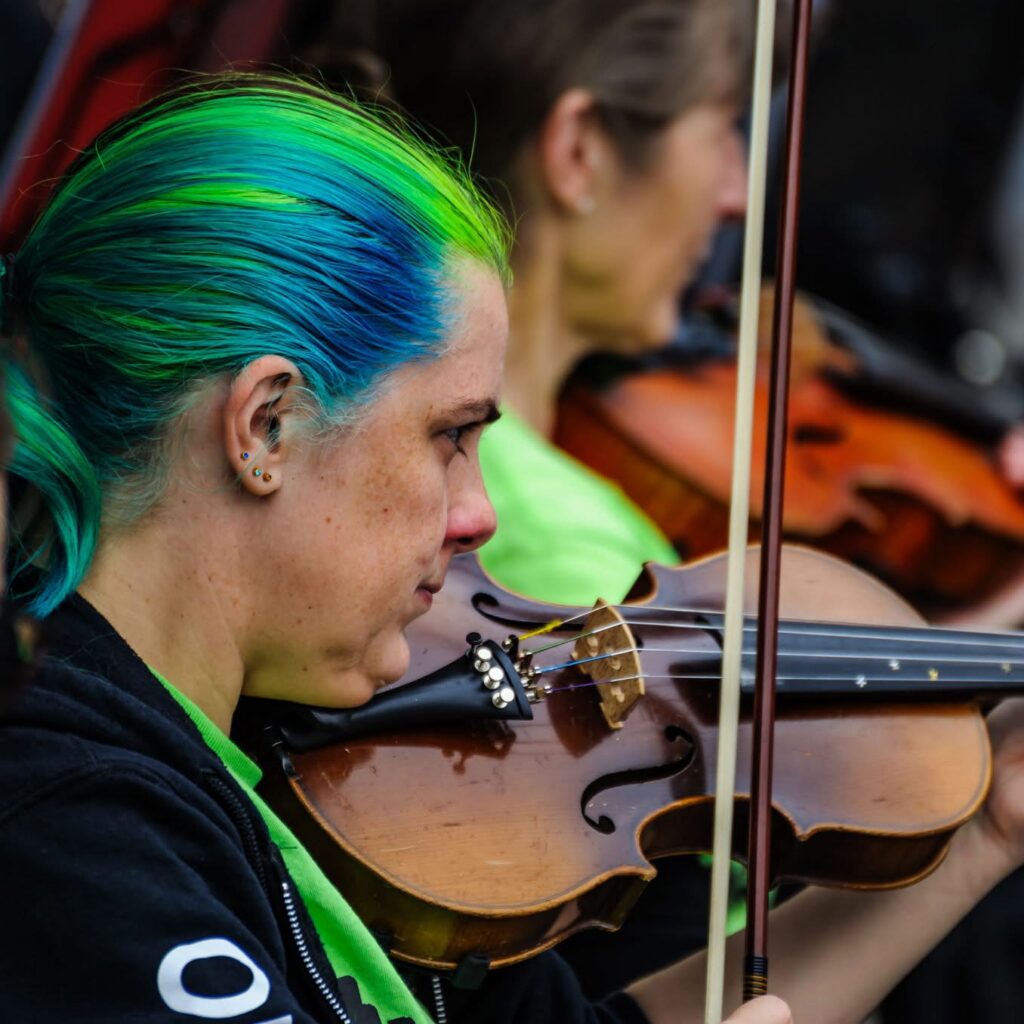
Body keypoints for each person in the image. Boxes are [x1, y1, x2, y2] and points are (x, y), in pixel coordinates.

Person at [0, 70, 1022, 1024]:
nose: (480, 512)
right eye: (449, 436)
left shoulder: (313, 746)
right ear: (266, 426)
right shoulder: (71, 818)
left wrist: (985, 836)